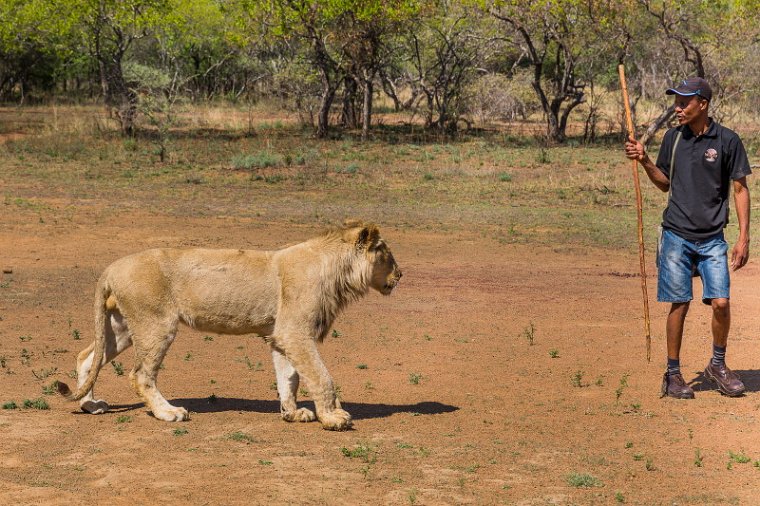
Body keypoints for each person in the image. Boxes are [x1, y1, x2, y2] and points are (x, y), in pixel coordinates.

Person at [624, 77, 752, 399]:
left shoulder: (728, 141)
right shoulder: (673, 138)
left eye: (684, 103)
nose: (677, 109)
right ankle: (673, 374)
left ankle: (717, 365)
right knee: (679, 303)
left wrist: (744, 237)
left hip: (713, 238)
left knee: (721, 303)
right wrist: (645, 161)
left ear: (703, 104)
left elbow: (740, 188)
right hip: (676, 236)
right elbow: (664, 183)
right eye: (676, 102)